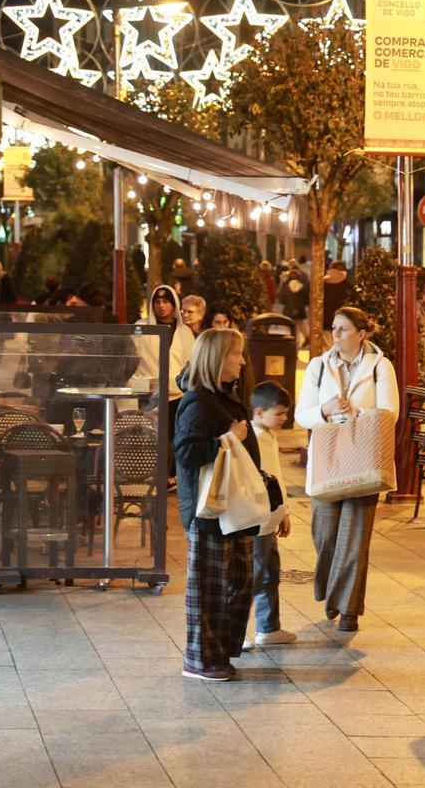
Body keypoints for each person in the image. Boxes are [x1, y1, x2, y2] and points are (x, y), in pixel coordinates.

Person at [294, 306, 399, 633]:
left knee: (354, 540)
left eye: (342, 329)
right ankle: (332, 590)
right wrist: (325, 411)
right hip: (327, 458)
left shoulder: (381, 367)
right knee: (324, 535)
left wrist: (356, 414)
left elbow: (389, 413)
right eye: (334, 329)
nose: (335, 335)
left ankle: (349, 610)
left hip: (363, 460)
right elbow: (301, 413)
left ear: (361, 333)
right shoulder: (318, 367)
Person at [173, 329, 260, 682]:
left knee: (236, 582)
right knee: (209, 590)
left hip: (232, 509)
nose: (242, 361)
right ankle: (200, 660)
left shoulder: (223, 397)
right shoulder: (199, 402)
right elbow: (186, 452)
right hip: (209, 511)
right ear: (216, 359)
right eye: (235, 354)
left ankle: (219, 653)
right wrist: (227, 439)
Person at [243, 381, 296, 649]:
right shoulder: (254, 439)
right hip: (258, 520)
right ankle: (239, 630)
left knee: (270, 572)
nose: (284, 419)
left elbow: (277, 478)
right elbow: (260, 481)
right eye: (279, 414)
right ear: (259, 412)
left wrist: (283, 512)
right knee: (255, 575)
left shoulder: (268, 435)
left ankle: (268, 627)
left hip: (271, 516)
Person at [134, 285, 196, 478]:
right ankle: (151, 474)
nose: (161, 306)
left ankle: (172, 476)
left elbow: (190, 363)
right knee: (151, 438)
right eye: (157, 301)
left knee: (174, 437)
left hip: (177, 395)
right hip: (149, 394)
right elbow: (133, 358)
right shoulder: (140, 327)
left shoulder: (185, 332)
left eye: (166, 301)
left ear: (173, 304)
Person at [277, 265, 309, 348]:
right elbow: (306, 300)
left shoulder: (286, 287)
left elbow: (282, 300)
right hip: (300, 311)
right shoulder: (303, 287)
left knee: (290, 330)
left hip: (288, 311)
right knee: (298, 329)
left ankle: (291, 347)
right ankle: (297, 347)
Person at [322, 260, 351, 348]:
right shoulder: (348, 287)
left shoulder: (321, 285)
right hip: (343, 323)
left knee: (328, 348)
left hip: (326, 322)